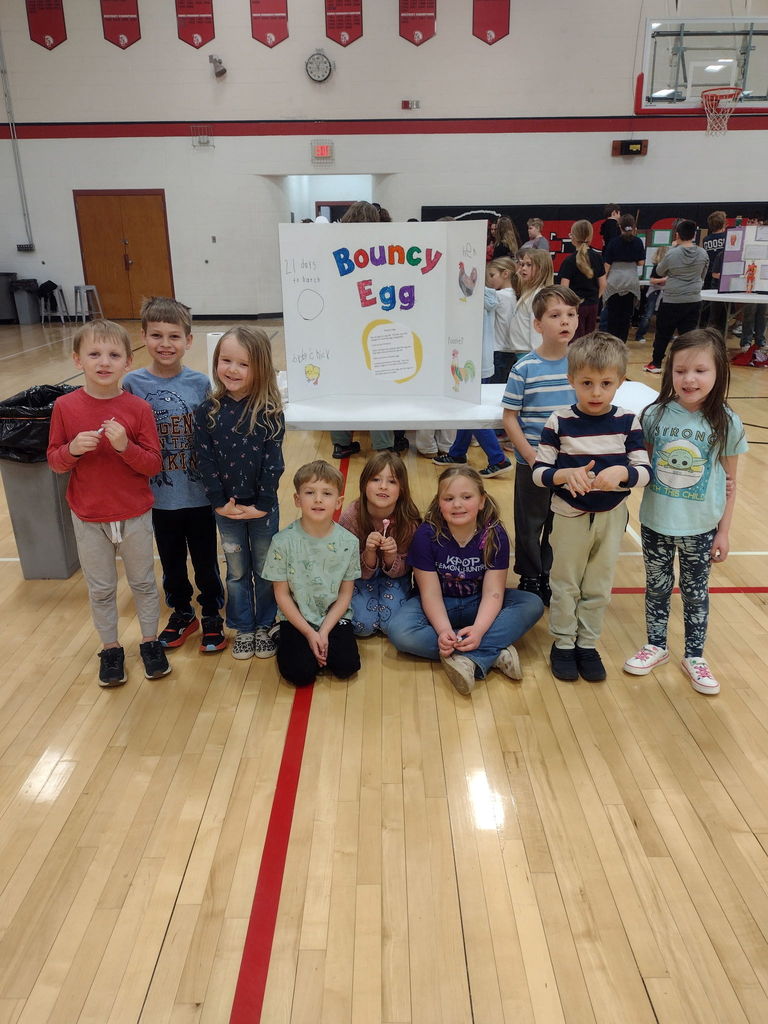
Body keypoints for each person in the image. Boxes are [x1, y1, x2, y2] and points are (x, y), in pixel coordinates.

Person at [47, 319, 171, 688]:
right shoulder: (65, 407)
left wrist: (125, 447)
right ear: (77, 360)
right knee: (100, 588)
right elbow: (54, 461)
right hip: (89, 516)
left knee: (144, 583)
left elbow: (153, 464)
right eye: (94, 354)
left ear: (128, 362)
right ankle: (111, 648)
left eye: (114, 355)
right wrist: (72, 449)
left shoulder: (138, 408)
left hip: (134, 513)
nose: (104, 362)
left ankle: (150, 642)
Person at [624, 330, 747, 693]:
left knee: (695, 593)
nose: (689, 379)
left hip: (701, 528)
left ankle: (694, 655)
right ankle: (656, 646)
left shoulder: (726, 421)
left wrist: (723, 532)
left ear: (718, 372)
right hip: (656, 522)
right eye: (680, 371)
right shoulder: (654, 414)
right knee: (657, 587)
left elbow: (730, 483)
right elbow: (642, 465)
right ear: (669, 372)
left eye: (700, 370)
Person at [533, 332, 651, 682]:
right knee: (565, 583)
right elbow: (539, 473)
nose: (596, 392)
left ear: (620, 381)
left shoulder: (628, 421)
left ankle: (587, 643)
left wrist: (623, 473)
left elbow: (645, 471)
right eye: (587, 383)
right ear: (572, 380)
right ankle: (563, 643)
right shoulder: (558, 421)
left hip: (612, 517)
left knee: (599, 585)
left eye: (605, 384)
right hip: (569, 516)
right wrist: (564, 475)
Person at [123, 297, 225, 654]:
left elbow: (213, 437)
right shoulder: (132, 384)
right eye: (156, 335)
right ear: (143, 337)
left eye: (174, 336)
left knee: (205, 560)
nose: (165, 344)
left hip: (198, 495)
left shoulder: (200, 383)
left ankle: (211, 612)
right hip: (158, 497)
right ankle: (182, 612)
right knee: (171, 561)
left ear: (188, 340)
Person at [387, 467, 544, 695]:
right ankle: (494, 651)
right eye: (449, 498)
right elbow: (430, 593)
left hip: (478, 603)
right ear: (439, 503)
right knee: (399, 632)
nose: (457, 504)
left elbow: (493, 593)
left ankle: (472, 652)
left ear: (482, 501)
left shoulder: (495, 534)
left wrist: (479, 631)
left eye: (467, 497)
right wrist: (443, 630)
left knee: (532, 603)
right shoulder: (426, 535)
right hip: (440, 605)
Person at [194, 326, 284, 660]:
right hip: (227, 511)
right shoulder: (207, 411)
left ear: (259, 368)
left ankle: (265, 624)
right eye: (226, 360)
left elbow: (273, 463)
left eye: (243, 364)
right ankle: (243, 627)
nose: (232, 369)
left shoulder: (270, 412)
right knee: (236, 571)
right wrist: (219, 503)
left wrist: (262, 505)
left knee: (264, 569)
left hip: (262, 510)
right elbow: (204, 460)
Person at [502, 285, 579, 604]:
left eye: (571, 314)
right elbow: (510, 418)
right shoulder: (525, 368)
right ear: (538, 324)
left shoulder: (580, 366)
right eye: (555, 315)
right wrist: (531, 456)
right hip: (533, 463)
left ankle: (549, 572)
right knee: (530, 522)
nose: (566, 321)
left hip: (570, 464)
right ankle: (530, 576)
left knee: (560, 521)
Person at [262, 460, 361, 687]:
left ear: (338, 502)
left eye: (326, 493)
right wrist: (309, 633)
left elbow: (345, 595)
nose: (318, 499)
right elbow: (282, 595)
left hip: (333, 618)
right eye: (309, 492)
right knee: (300, 674)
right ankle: (283, 634)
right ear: (297, 499)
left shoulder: (349, 542)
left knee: (347, 666)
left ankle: (317, 644)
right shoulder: (282, 542)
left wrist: (323, 632)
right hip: (297, 619)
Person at [434, 260, 515, 478]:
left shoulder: (476, 296)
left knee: (469, 411)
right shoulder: (483, 296)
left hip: (474, 360)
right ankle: (458, 452)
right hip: (477, 359)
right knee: (467, 409)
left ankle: (498, 458)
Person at [330, 200, 396, 458]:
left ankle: (341, 442)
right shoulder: (382, 247)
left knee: (344, 387)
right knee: (378, 387)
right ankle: (382, 444)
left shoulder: (334, 245)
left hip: (343, 327)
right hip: (375, 323)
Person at [339, 451, 421, 636]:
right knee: (362, 626)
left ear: (402, 489)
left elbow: (408, 569)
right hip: (360, 577)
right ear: (364, 484)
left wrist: (392, 558)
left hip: (395, 578)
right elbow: (346, 568)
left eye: (392, 481)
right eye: (376, 479)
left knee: (391, 624)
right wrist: (369, 554)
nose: (383, 486)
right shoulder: (351, 518)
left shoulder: (408, 521)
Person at [645, 219, 708, 374]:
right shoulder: (703, 253)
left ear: (677, 235)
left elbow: (659, 271)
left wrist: (674, 249)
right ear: (694, 235)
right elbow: (703, 274)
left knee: (663, 333)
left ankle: (656, 363)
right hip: (693, 299)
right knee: (689, 335)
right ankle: (688, 366)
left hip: (672, 299)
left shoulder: (673, 253)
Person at [558, 220, 606, 340]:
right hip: (593, 305)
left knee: (575, 340)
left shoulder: (569, 261)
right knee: (588, 340)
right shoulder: (598, 258)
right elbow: (603, 284)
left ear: (573, 237)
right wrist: (594, 298)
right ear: (590, 236)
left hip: (575, 306)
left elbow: (564, 289)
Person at [602, 214, 645, 342]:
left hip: (615, 281)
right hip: (631, 281)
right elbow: (641, 262)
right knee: (626, 317)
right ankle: (622, 343)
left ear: (619, 227)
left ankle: (612, 343)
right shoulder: (638, 241)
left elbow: (607, 265)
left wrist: (604, 280)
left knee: (613, 316)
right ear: (634, 227)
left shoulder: (613, 242)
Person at [507, 249, 555, 358]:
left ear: (541, 269)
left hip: (530, 353)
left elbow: (537, 330)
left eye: (529, 265)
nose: (523, 268)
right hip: (523, 351)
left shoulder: (538, 295)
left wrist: (537, 357)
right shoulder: (529, 291)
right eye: (522, 264)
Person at [700, 210, 727, 335]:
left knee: (707, 303)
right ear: (724, 224)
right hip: (720, 274)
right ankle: (718, 329)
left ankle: (704, 325)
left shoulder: (706, 239)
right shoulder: (726, 237)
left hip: (708, 273)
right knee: (720, 305)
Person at [634, 247, 668, 343]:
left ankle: (664, 335)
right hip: (655, 292)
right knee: (648, 315)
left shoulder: (669, 267)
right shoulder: (657, 267)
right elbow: (652, 280)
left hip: (665, 292)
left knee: (664, 316)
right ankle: (639, 334)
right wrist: (664, 279)